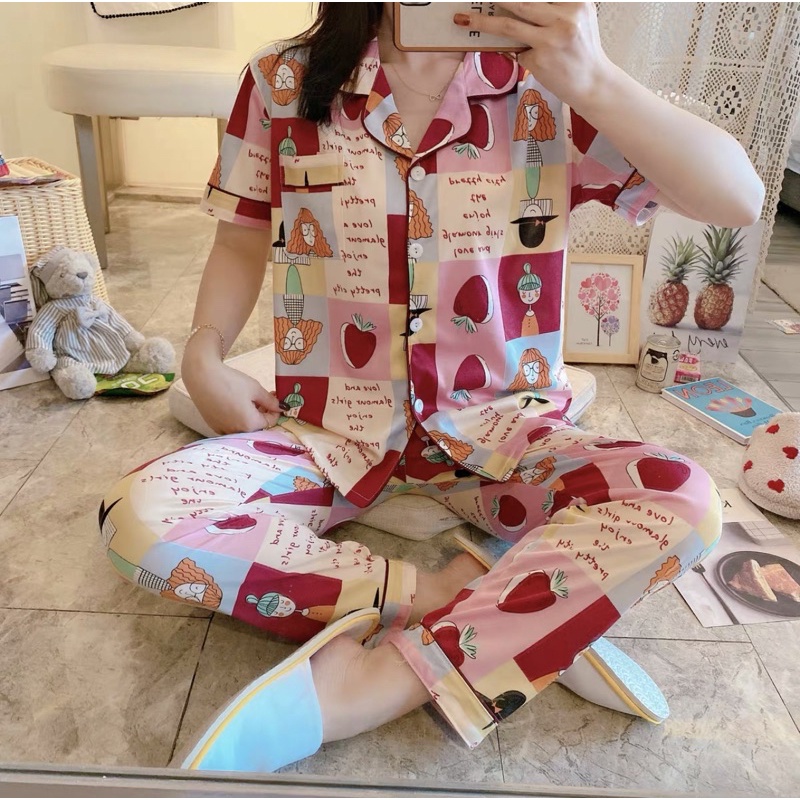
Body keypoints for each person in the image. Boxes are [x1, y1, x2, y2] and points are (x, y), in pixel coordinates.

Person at [99, 2, 764, 772]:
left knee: (683, 498)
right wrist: (203, 354)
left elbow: (737, 199)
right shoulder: (282, 82)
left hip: (505, 440)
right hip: (328, 438)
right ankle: (483, 602)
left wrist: (595, 79)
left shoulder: (552, 87)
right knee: (137, 517)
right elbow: (241, 238)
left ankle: (377, 683)